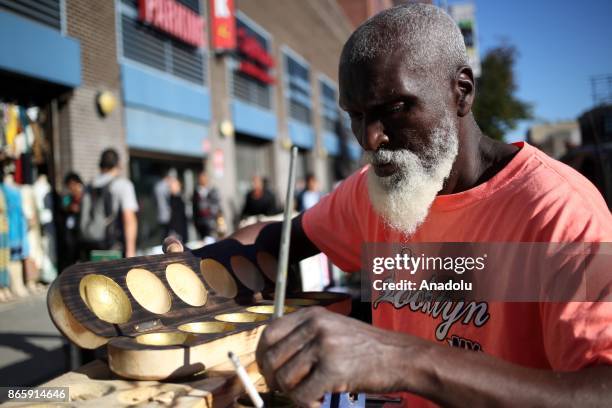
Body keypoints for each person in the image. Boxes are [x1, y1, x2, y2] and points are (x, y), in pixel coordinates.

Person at [187, 4, 612, 407]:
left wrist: (401, 358)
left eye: (394, 108)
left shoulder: (561, 212)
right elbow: (280, 241)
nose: (371, 140)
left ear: (461, 92)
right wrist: (184, 273)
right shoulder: (372, 192)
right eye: (356, 115)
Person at [80, 148, 138, 258]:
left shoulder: (88, 186)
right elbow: (129, 218)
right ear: (118, 164)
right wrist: (131, 251)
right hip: (113, 248)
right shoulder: (123, 185)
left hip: (89, 246)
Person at [60, 172, 83, 269]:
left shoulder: (85, 196)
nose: (72, 188)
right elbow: (63, 207)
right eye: (69, 186)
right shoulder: (68, 198)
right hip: (70, 231)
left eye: (73, 185)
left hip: (81, 230)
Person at [192, 171, 221, 241]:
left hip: (211, 221)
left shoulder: (213, 190)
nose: (202, 180)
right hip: (200, 222)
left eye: (204, 178)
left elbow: (216, 205)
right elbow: (194, 207)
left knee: (211, 241)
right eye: (201, 178)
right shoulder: (196, 191)